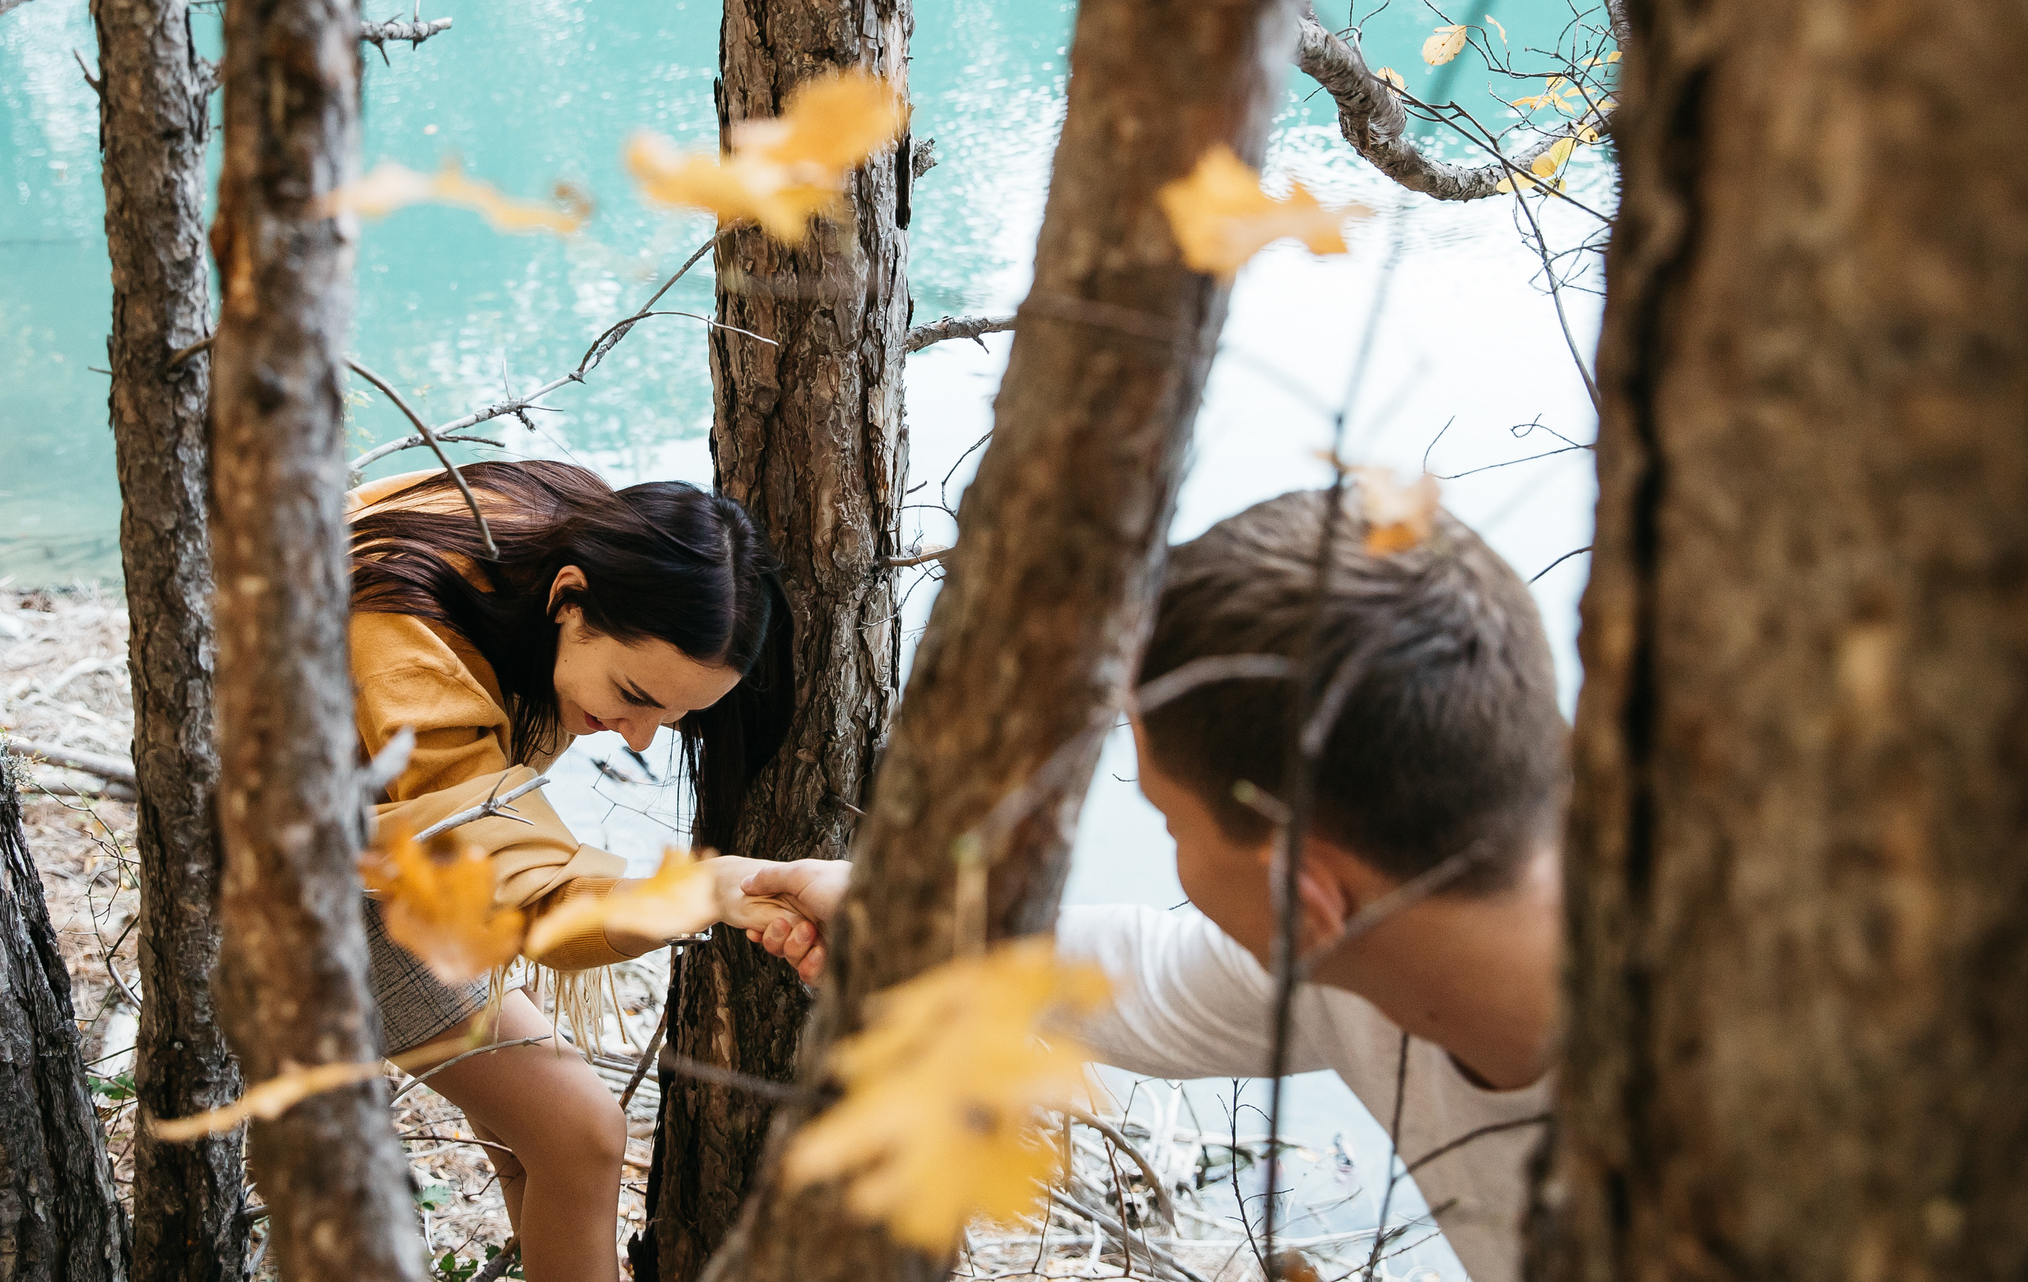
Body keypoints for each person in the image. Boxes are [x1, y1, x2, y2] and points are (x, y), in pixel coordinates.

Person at [741, 489, 1567, 1281]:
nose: (1170, 845)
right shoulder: (1385, 932)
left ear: (1302, 900)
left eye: (1171, 823)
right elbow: (1160, 978)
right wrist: (897, 915)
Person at [347, 460, 803, 1282]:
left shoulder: (576, 533)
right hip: (315, 866)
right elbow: (535, 897)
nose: (639, 738)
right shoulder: (409, 642)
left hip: (407, 839)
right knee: (579, 1133)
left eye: (677, 715)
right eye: (634, 694)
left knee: (544, 1147)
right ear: (567, 596)